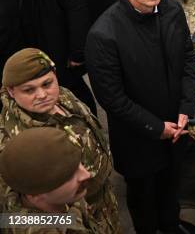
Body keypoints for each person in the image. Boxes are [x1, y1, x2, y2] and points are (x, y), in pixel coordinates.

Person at [85, 0, 195, 234]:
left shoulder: (172, 9)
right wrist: (155, 127)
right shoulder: (104, 34)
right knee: (143, 198)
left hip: (176, 128)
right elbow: (112, 98)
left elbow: (187, 58)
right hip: (138, 139)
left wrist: (186, 108)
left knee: (172, 189)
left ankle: (170, 225)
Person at [0, 48, 120, 233]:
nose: (42, 95)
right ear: (11, 91)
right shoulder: (14, 145)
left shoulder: (63, 97)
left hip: (104, 204)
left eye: (47, 84)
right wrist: (72, 223)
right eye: (29, 90)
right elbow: (12, 215)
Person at [0, 128, 103, 233]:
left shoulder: (56, 194)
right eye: (69, 175)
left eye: (79, 163)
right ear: (35, 196)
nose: (87, 174)